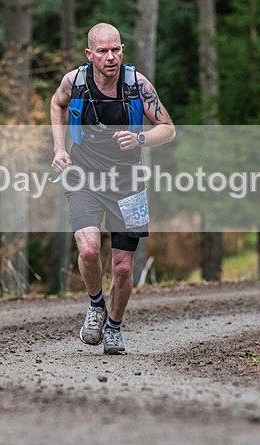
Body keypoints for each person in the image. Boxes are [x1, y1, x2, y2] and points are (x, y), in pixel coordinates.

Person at [50, 23, 176, 354]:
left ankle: (115, 326)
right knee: (89, 249)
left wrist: (140, 138)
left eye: (116, 50)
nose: (111, 57)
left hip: (128, 182)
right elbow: (57, 103)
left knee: (122, 267)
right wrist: (59, 148)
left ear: (123, 50)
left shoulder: (137, 85)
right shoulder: (75, 82)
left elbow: (168, 128)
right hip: (84, 177)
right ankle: (96, 305)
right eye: (103, 51)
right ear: (89, 54)